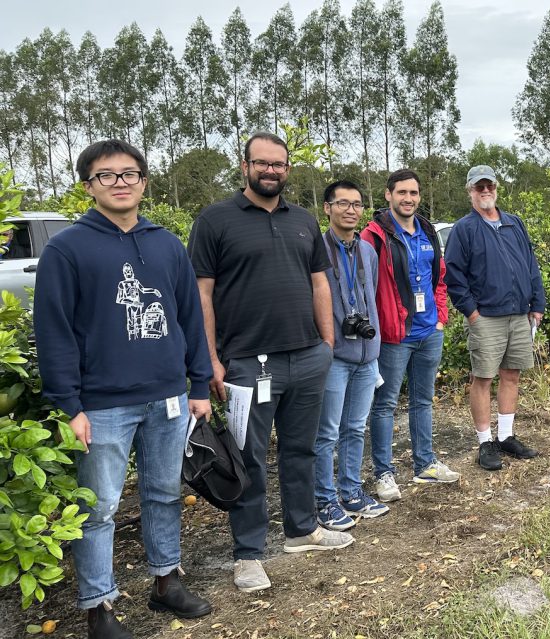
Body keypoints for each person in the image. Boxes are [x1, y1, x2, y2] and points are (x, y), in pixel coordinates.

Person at [34, 139, 213, 639]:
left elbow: (189, 319)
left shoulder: (166, 244)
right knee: (101, 507)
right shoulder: (67, 248)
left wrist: (198, 382)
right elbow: (54, 331)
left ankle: (166, 580)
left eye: (129, 173)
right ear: (88, 185)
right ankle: (99, 606)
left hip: (168, 396)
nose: (119, 182)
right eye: (106, 175)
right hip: (102, 404)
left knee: (164, 492)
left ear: (143, 181)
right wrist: (69, 405)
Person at [188, 132, 347, 595]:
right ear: (245, 166)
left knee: (303, 449)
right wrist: (211, 359)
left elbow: (320, 282)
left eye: (279, 164)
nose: (271, 171)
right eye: (262, 164)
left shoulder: (303, 220)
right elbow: (201, 294)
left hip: (307, 357)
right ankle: (249, 554)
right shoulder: (215, 220)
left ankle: (303, 530)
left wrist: (327, 342)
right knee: (249, 459)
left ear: (287, 169)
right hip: (246, 365)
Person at [362, 169, 460, 501]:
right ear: (388, 195)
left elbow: (440, 277)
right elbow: (364, 287)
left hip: (429, 330)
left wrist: (441, 317)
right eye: (402, 192)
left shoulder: (428, 231)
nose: (408, 199)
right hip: (394, 334)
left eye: (414, 193)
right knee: (385, 403)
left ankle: (425, 464)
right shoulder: (373, 236)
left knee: (422, 399)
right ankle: (384, 474)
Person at [444, 165, 545, 470]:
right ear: (470, 191)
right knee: (483, 378)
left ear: (497, 188)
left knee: (511, 375)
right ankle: (485, 441)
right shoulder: (464, 228)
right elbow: (454, 275)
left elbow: (531, 264)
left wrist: (537, 304)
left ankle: (506, 436)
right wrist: (471, 313)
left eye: (489, 186)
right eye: (479, 187)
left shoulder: (515, 223)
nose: (485, 191)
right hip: (485, 316)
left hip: (519, 314)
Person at [314, 179, 389, 534]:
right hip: (335, 355)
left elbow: (369, 294)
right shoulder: (316, 249)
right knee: (327, 431)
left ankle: (351, 491)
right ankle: (324, 499)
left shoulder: (368, 252)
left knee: (355, 427)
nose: (350, 210)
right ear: (327, 207)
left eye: (357, 204)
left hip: (366, 354)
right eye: (342, 203)